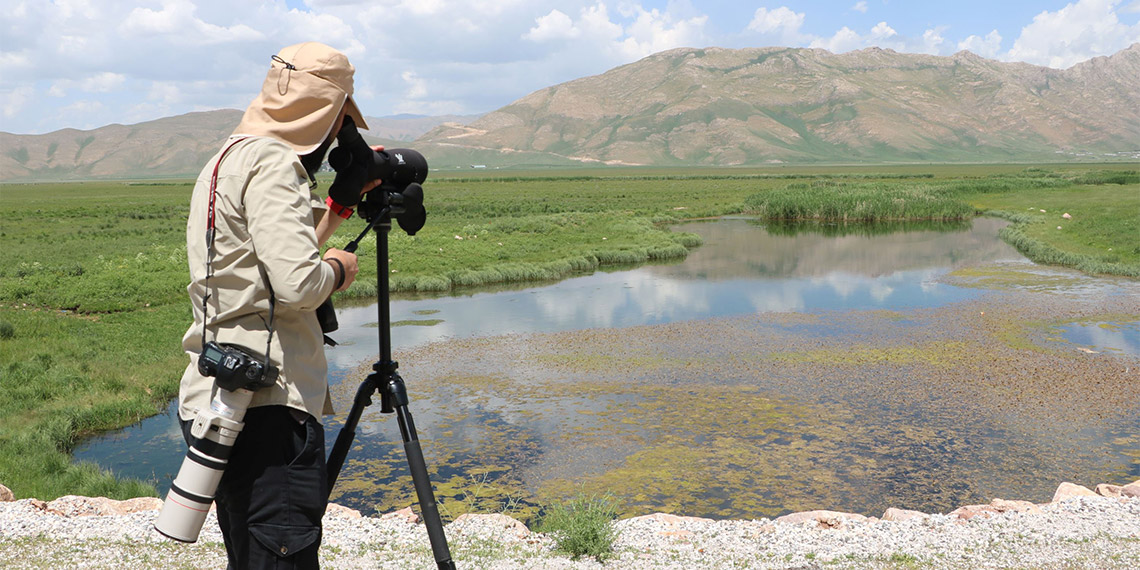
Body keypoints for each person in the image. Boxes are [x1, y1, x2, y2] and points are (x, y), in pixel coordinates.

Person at [176, 42, 379, 569]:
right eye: (339, 118)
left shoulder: (227, 158)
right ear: (326, 111)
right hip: (270, 401)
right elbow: (297, 286)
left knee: (250, 554)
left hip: (220, 390)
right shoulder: (275, 164)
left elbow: (265, 266)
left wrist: (335, 212)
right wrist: (339, 269)